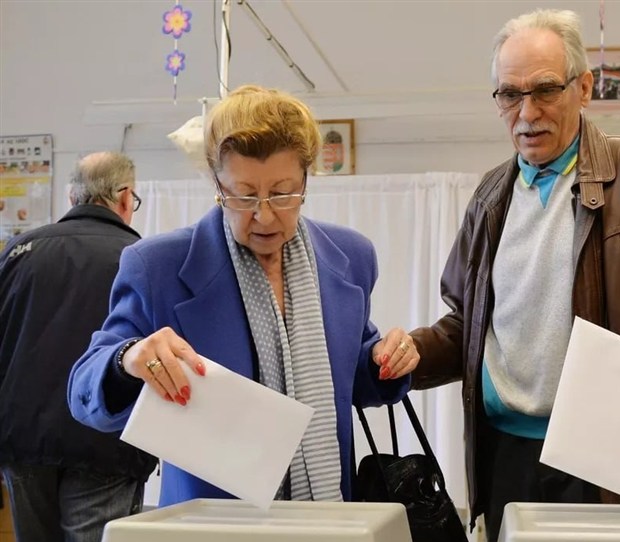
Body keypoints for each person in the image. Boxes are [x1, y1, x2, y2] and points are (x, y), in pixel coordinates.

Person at [400, 9, 620, 542]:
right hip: (505, 451)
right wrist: (412, 353)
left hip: (604, 455)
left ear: (584, 88)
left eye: (545, 90)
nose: (526, 112)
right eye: (509, 95)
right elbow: (465, 324)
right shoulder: (491, 197)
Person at [68, 85, 417, 507]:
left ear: (307, 178)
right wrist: (128, 360)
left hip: (328, 522)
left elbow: (353, 377)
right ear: (217, 182)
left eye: (283, 193)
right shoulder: (157, 266)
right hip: (211, 529)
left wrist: (387, 359)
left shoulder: (350, 257)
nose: (264, 214)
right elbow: (82, 391)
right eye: (244, 195)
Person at [0, 152, 154, 542]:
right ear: (124, 198)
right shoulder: (140, 259)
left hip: (22, 441)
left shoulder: (20, 251)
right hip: (106, 443)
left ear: (72, 198)